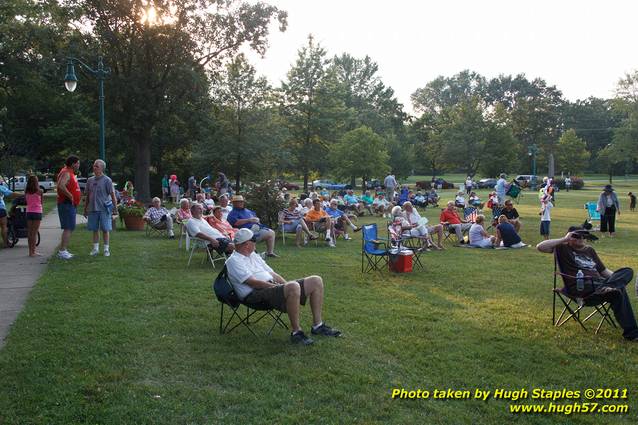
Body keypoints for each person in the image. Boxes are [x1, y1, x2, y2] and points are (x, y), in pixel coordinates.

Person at [225, 228, 341, 345]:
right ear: (246, 244)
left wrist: (285, 286)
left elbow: (272, 273)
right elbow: (252, 282)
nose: (256, 241)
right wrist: (280, 288)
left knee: (316, 280)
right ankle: (296, 333)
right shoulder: (233, 261)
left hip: (269, 287)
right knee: (293, 286)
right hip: (254, 295)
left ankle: (318, 326)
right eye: (254, 239)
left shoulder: (253, 255)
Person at [537, 226, 638, 342]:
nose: (581, 238)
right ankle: (632, 333)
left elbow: (604, 271)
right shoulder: (562, 248)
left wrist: (617, 280)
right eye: (576, 235)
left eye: (583, 235)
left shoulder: (590, 250)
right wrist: (564, 239)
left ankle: (632, 333)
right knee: (618, 290)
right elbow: (540, 247)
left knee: (627, 272)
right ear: (569, 236)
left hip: (600, 286)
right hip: (581, 288)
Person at [83, 159, 118, 257]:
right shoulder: (90, 180)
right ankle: (95, 249)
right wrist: (85, 209)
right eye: (94, 166)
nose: (94, 168)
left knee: (105, 229)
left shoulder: (107, 180)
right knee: (95, 229)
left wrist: (115, 209)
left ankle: (106, 249)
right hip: (93, 209)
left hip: (104, 209)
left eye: (96, 166)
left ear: (102, 168)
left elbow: (112, 195)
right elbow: (87, 196)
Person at [56, 155, 82, 259]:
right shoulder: (66, 172)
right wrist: (70, 195)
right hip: (66, 204)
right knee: (68, 227)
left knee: (69, 227)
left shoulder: (69, 172)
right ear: (73, 164)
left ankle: (64, 250)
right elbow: (61, 185)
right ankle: (62, 251)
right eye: (78, 163)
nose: (79, 165)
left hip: (69, 204)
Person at [25, 175, 43, 256]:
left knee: (30, 233)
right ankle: (33, 251)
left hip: (29, 212)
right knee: (34, 233)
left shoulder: (26, 191)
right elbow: (41, 202)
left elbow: (27, 202)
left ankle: (30, 252)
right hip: (37, 212)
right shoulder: (40, 191)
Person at [0, 181, 13, 248]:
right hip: (1, 209)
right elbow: (10, 194)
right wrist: (23, 195)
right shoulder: (1, 187)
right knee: (4, 226)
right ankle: (5, 243)